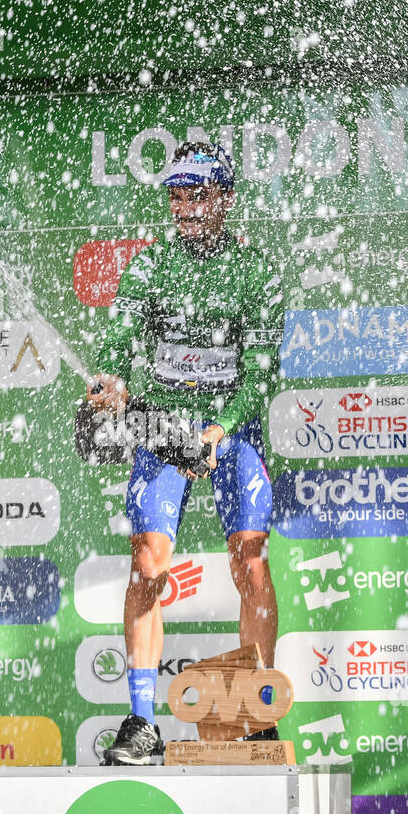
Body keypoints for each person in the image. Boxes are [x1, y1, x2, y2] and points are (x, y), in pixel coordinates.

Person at [86, 143, 285, 765]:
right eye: (176, 196)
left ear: (224, 199)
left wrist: (220, 429)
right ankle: (142, 723)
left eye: (198, 195)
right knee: (148, 563)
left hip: (234, 425)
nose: (186, 208)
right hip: (165, 422)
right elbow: (120, 344)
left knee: (250, 563)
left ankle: (254, 714)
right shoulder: (148, 269)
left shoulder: (256, 272)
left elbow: (261, 373)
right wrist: (114, 383)